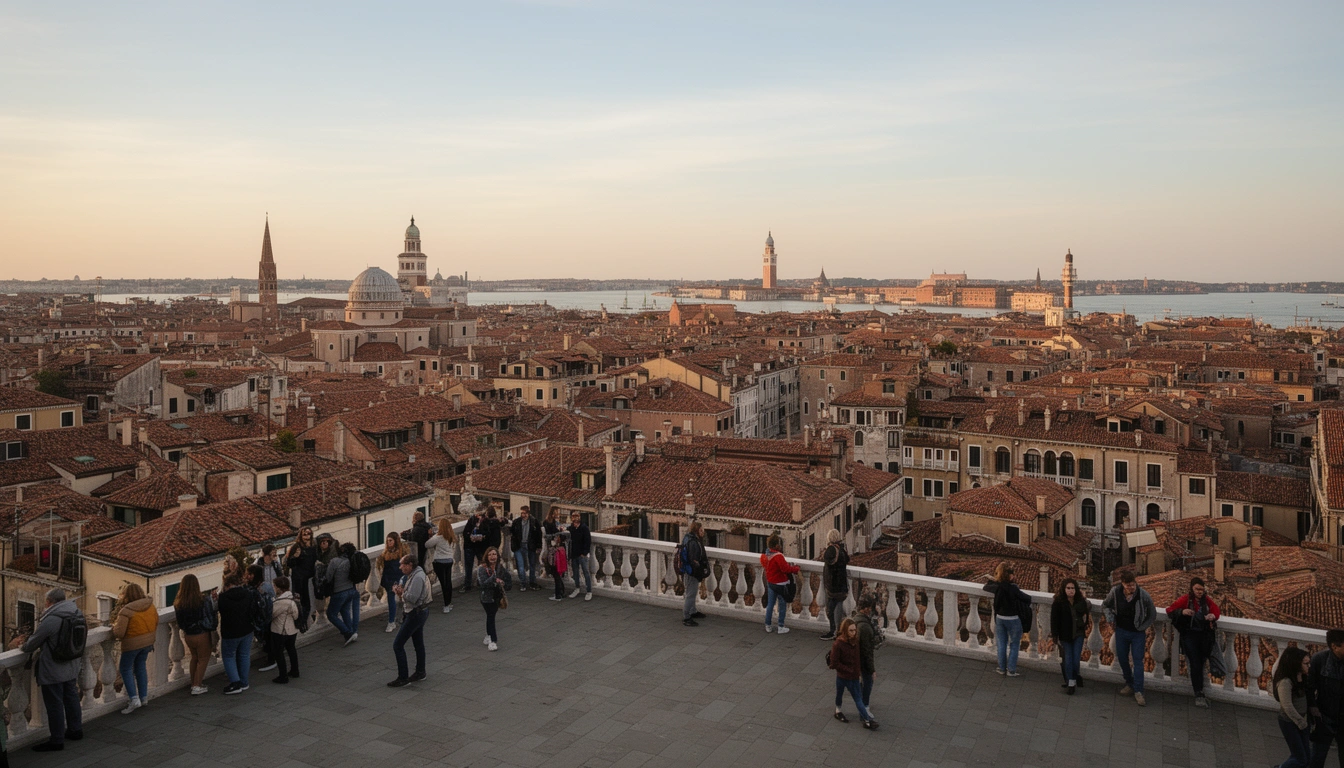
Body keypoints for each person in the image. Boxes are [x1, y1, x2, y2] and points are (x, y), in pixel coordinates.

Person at [10, 588, 83, 751]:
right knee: (71, 698)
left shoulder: (52, 619)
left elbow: (32, 645)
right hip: (72, 664)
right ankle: (76, 730)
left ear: (50, 602)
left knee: (55, 704)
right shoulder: (77, 612)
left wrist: (21, 644)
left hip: (54, 668)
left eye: (46, 602)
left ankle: (57, 740)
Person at [1102, 570, 1156, 707]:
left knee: (1138, 661)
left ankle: (1138, 690)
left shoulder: (1143, 595)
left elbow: (1152, 613)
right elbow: (1105, 605)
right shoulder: (1115, 592)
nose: (1131, 588)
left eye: (1133, 585)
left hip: (1137, 633)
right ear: (1123, 584)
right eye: (1128, 586)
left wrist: (1143, 626)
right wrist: (1110, 618)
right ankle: (1129, 682)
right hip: (1121, 631)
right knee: (1122, 658)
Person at [1167, 576, 1221, 708]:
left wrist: (1213, 615)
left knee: (1201, 662)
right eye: (1197, 589)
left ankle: (1199, 691)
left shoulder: (1206, 601)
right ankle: (1199, 693)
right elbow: (1170, 610)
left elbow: (1216, 609)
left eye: (1201, 589)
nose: (1199, 592)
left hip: (1203, 637)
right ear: (1192, 589)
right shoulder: (1185, 599)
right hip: (1189, 636)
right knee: (1195, 663)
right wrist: (1183, 611)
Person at [112, 583, 159, 714]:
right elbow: (156, 621)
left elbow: (119, 633)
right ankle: (143, 697)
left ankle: (134, 699)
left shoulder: (126, 611)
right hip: (148, 642)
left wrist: (114, 626)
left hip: (132, 644)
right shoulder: (150, 606)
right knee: (140, 667)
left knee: (125, 669)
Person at [388, 554, 432, 687]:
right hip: (420, 612)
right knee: (418, 643)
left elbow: (412, 597)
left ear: (410, 565)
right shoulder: (416, 574)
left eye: (402, 564)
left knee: (398, 644)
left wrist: (400, 592)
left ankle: (403, 677)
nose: (400, 567)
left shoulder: (417, 577)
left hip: (415, 613)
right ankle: (420, 671)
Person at [828, 617, 879, 729]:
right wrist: (849, 670)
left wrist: (858, 672)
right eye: (851, 630)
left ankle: (866, 720)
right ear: (845, 630)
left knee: (857, 698)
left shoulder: (855, 642)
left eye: (854, 630)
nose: (854, 633)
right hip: (844, 676)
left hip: (852, 676)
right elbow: (834, 663)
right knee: (842, 694)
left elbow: (857, 659)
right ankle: (839, 711)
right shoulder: (838, 644)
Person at [983, 563, 1028, 677]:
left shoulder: (997, 587)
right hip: (1012, 619)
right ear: (1011, 576)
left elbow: (986, 587)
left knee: (1001, 644)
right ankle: (1011, 670)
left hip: (1000, 618)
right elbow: (1027, 598)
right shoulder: (1013, 588)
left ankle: (1002, 668)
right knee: (1014, 644)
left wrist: (994, 581)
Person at [1307, 629, 1344, 768]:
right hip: (1325, 717)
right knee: (1317, 758)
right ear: (1335, 646)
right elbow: (1309, 686)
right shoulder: (1319, 660)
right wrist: (1313, 707)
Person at [172, 574, 215, 695]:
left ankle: (193, 683)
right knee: (203, 659)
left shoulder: (178, 603)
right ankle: (197, 685)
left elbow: (180, 623)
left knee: (194, 658)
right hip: (201, 634)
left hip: (188, 635)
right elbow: (209, 615)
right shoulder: (202, 600)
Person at [216, 572, 254, 695]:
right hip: (247, 629)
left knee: (228, 656)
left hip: (230, 632)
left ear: (227, 584)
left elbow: (220, 610)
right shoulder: (248, 594)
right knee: (244, 655)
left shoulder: (223, 598)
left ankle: (235, 683)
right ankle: (244, 682)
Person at [1275, 645, 1311, 768]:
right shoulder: (1285, 682)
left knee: (1303, 756)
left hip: (1302, 721)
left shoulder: (1302, 677)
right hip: (1290, 722)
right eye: (1306, 663)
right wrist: (1301, 723)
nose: (1308, 666)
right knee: (1301, 759)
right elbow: (1287, 706)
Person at [1050, 578, 1089, 694]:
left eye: (1073, 588)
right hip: (1065, 635)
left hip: (1078, 634)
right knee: (1068, 659)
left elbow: (1086, 611)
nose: (1071, 591)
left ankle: (1076, 675)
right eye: (1068, 588)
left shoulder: (1080, 601)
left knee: (1076, 659)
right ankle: (1071, 683)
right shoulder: (1058, 602)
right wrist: (1055, 635)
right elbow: (1054, 620)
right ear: (1064, 589)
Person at [760, 534, 800, 634]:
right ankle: (781, 626)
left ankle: (768, 625)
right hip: (781, 584)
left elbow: (765, 565)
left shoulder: (765, 556)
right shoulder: (778, 556)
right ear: (776, 545)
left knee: (770, 605)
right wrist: (796, 569)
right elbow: (785, 569)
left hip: (770, 583)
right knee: (782, 605)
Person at [323, 541, 361, 646]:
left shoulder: (335, 561)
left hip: (339, 592)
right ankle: (352, 633)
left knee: (331, 614)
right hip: (352, 590)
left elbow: (328, 577)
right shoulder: (352, 560)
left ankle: (347, 633)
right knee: (345, 611)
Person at [476, 546, 513, 651]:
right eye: (490, 554)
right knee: (491, 616)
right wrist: (494, 578)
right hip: (486, 598)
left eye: (494, 554)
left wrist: (503, 583)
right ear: (486, 557)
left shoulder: (500, 568)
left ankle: (488, 636)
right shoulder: (482, 569)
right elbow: (482, 584)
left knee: (490, 616)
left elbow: (508, 582)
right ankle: (493, 640)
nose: (492, 557)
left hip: (497, 596)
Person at [376, 532, 411, 633]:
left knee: (403, 599)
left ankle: (403, 617)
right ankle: (391, 622)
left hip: (400, 578)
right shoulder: (384, 554)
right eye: (387, 541)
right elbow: (381, 567)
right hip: (389, 578)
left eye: (390, 540)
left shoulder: (403, 552)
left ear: (395, 541)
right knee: (391, 600)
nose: (389, 543)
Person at [269, 575, 301, 684]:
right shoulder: (292, 598)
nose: (273, 588)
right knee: (291, 649)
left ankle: (283, 676)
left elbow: (271, 615)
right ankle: (295, 670)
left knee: (279, 653)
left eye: (274, 586)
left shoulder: (280, 602)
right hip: (292, 630)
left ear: (279, 588)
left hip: (280, 631)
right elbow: (296, 615)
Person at [853, 592, 881, 713]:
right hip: (862, 659)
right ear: (867, 608)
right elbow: (868, 651)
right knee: (868, 682)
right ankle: (864, 707)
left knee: (857, 682)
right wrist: (872, 669)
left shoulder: (855, 620)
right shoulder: (865, 627)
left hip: (856, 658)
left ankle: (861, 704)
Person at [820, 530, 849, 640]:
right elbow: (847, 560)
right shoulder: (841, 550)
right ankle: (839, 631)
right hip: (842, 584)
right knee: (839, 609)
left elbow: (827, 559)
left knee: (830, 610)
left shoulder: (831, 550)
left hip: (833, 585)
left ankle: (833, 631)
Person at [285, 526, 319, 623]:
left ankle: (305, 620)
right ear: (301, 536)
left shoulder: (313, 546)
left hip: (309, 578)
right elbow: (289, 564)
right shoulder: (296, 546)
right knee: (301, 601)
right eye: (305, 534)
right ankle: (301, 622)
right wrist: (295, 557)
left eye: (309, 533)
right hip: (299, 579)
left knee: (309, 602)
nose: (307, 536)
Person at [247, 564, 277, 672]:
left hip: (265, 619)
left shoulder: (265, 587)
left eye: (250, 574)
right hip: (259, 619)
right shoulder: (253, 587)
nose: (248, 576)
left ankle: (271, 659)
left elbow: (272, 601)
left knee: (268, 639)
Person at [426, 518, 458, 612]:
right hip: (449, 560)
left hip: (439, 561)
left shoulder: (438, 537)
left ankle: (446, 605)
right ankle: (448, 603)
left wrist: (430, 536)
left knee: (443, 583)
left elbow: (427, 545)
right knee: (448, 582)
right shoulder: (451, 536)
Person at [680, 521, 708, 627]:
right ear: (697, 530)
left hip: (689, 570)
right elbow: (694, 559)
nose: (703, 532)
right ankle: (686, 616)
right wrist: (699, 570)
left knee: (692, 592)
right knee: (691, 594)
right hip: (691, 572)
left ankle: (693, 611)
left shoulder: (689, 538)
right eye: (701, 530)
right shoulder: (693, 542)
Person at [511, 506, 542, 591]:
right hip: (519, 546)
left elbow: (538, 535)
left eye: (524, 513)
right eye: (522, 513)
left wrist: (539, 546)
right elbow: (512, 534)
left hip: (530, 545)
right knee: (520, 566)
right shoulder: (516, 522)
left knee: (532, 565)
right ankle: (523, 583)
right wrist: (513, 546)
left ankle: (532, 583)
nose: (523, 515)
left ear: (528, 513)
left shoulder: (534, 522)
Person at [567, 511, 594, 600]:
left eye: (577, 516)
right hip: (574, 554)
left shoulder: (584, 528)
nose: (575, 518)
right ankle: (577, 588)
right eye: (573, 517)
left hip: (582, 555)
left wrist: (584, 553)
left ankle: (589, 591)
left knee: (586, 572)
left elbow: (588, 541)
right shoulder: (571, 528)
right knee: (575, 572)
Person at [462, 508, 486, 592]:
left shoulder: (484, 522)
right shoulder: (471, 521)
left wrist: (481, 537)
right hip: (470, 546)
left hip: (479, 547)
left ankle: (480, 582)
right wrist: (471, 538)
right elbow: (465, 533)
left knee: (482, 565)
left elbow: (486, 534)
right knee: (468, 566)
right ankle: (468, 584)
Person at [547, 533, 569, 601]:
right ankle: (561, 593)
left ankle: (558, 595)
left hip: (555, 564)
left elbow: (551, 553)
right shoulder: (563, 547)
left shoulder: (556, 549)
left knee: (557, 579)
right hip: (560, 565)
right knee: (558, 579)